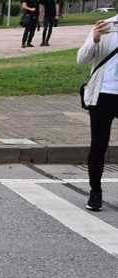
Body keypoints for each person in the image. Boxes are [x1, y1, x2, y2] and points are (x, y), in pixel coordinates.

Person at [78, 15, 118, 211]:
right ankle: (95, 192)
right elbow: (82, 58)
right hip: (103, 94)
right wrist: (94, 38)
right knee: (99, 145)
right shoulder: (106, 27)